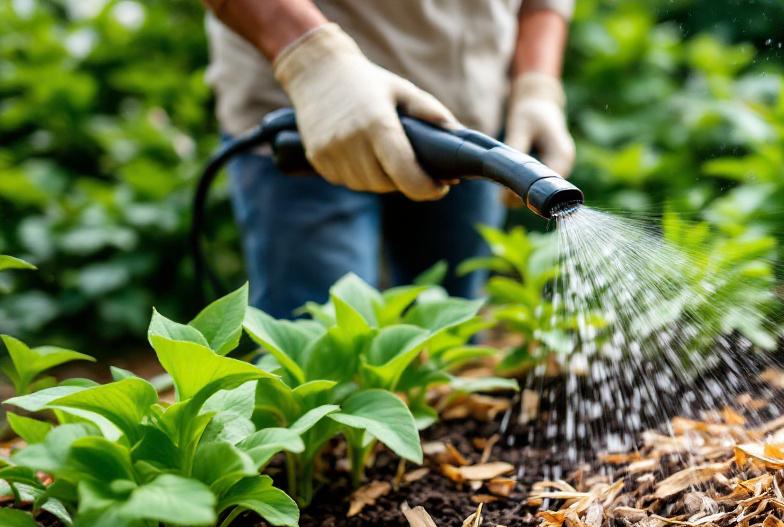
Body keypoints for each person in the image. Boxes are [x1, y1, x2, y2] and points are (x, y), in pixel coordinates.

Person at [201, 0, 576, 318]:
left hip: (466, 119)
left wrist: (537, 86)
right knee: (318, 341)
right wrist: (311, 60)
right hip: (316, 112)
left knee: (449, 332)